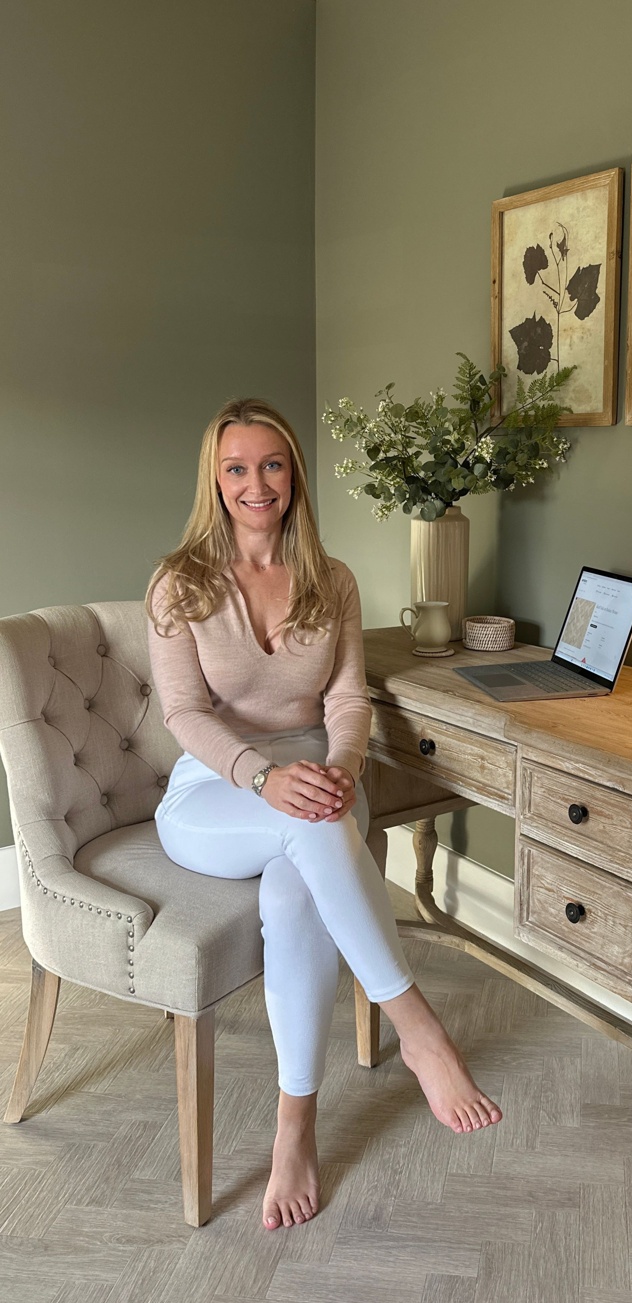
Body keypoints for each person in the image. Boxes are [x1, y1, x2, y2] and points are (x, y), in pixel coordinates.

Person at [146, 397, 501, 1232]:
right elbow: (184, 714)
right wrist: (261, 776)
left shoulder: (330, 578)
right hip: (212, 789)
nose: (254, 483)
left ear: (293, 473)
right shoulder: (180, 580)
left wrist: (339, 768)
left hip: (320, 782)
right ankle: (418, 1028)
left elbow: (346, 698)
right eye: (235, 468)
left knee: (295, 892)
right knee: (307, 823)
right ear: (216, 481)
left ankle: (294, 1125)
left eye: (270, 464)